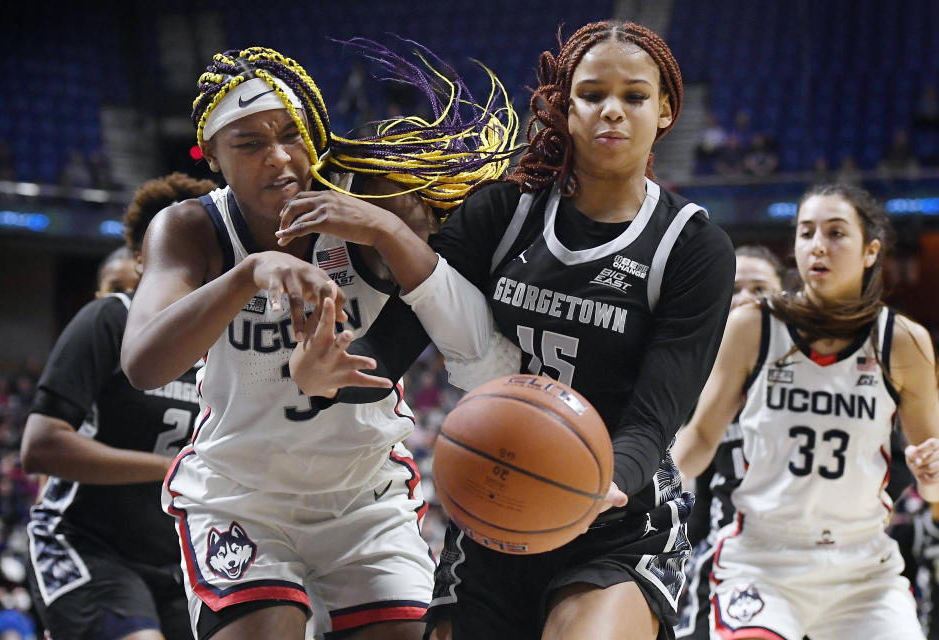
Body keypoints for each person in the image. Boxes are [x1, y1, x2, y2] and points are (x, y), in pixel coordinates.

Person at [278, 20, 736, 640]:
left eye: (635, 97)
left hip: (618, 514)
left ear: (665, 112)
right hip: (495, 497)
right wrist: (327, 377)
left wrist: (595, 485)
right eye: (592, 93)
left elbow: (655, 418)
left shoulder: (692, 247)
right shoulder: (504, 211)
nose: (613, 112)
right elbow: (395, 344)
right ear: (563, 106)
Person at [119, 44, 516, 640]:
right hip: (242, 495)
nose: (278, 157)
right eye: (249, 144)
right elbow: (143, 363)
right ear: (215, 160)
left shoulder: (372, 202)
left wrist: (386, 230)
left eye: (290, 134)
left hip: (365, 494)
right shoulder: (189, 228)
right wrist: (249, 273)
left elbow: (477, 349)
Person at [671, 183, 939, 639]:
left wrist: (930, 475)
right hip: (761, 558)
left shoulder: (904, 341)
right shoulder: (753, 326)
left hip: (862, 568)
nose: (818, 245)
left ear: (871, 251)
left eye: (836, 233)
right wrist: (640, 481)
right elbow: (698, 439)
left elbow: (932, 468)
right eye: (806, 232)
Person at [21, 173, 218, 640]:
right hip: (86, 545)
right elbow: (40, 448)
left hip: (175, 563)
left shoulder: (228, 341)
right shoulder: (111, 318)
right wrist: (169, 468)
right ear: (146, 256)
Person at [675, 245, 784, 640]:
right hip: (731, 547)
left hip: (818, 545)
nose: (746, 298)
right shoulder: (692, 372)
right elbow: (686, 472)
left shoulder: (814, 369)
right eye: (735, 287)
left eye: (760, 288)